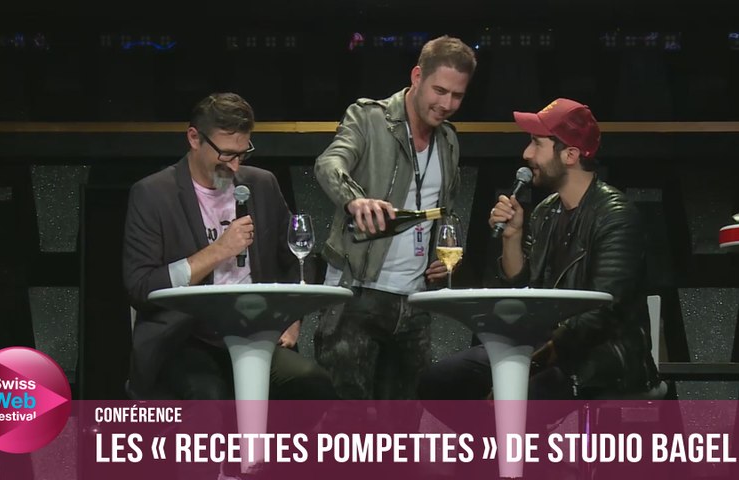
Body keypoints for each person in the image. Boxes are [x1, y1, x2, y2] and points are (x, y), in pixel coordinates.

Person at [418, 98, 661, 402]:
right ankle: (496, 433)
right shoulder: (546, 211)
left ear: (570, 155)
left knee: (519, 397)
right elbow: (522, 289)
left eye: (536, 143)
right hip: (543, 346)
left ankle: (510, 430)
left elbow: (603, 311)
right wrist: (512, 237)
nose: (526, 154)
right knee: (440, 381)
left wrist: (534, 362)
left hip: (601, 357)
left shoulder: (615, 216)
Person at [123, 92, 335, 401]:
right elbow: (141, 288)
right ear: (194, 138)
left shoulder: (262, 184)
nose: (235, 166)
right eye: (226, 155)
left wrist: (292, 318)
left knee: (312, 383)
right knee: (209, 397)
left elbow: (297, 258)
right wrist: (218, 251)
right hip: (185, 339)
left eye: (242, 154)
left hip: (256, 334)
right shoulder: (153, 194)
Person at [313, 35, 477, 400]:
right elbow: (328, 163)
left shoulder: (449, 140)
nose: (447, 104)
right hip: (356, 292)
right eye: (439, 91)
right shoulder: (369, 118)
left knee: (404, 421)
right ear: (417, 76)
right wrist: (355, 201)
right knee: (348, 419)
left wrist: (441, 258)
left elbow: (443, 211)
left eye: (457, 96)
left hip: (414, 303)